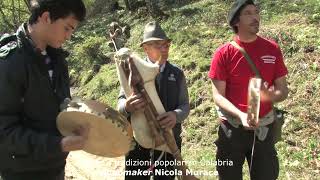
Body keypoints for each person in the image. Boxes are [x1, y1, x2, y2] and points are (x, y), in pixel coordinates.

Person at [0, 0, 87, 179]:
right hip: (21, 173)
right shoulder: (9, 62)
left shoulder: (58, 59)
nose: (69, 36)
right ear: (46, 17)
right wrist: (58, 145)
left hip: (55, 168)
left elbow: (62, 107)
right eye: (67, 28)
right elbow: (4, 131)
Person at [208, 0, 289, 180]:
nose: (255, 17)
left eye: (256, 12)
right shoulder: (224, 53)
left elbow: (283, 90)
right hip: (232, 129)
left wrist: (272, 95)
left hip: (264, 129)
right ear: (236, 22)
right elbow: (218, 97)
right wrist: (241, 115)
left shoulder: (273, 49)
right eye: (248, 13)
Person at [117, 21, 190, 180]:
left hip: (168, 142)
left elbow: (185, 105)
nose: (164, 49)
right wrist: (128, 106)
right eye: (158, 45)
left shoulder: (177, 74)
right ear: (145, 48)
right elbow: (120, 104)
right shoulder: (131, 70)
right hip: (137, 142)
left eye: (166, 45)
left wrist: (175, 115)